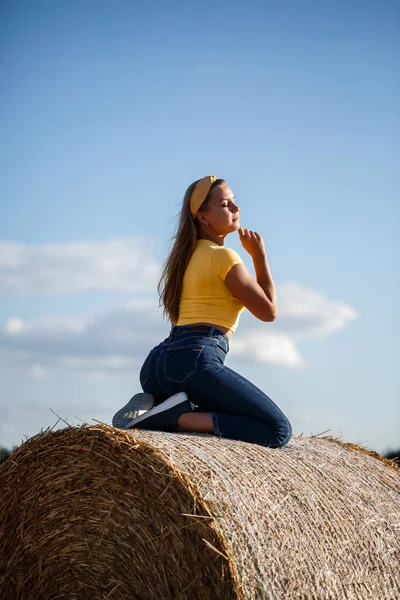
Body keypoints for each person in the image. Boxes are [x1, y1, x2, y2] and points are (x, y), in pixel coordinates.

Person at [112, 176, 292, 447]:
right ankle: (177, 418)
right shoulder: (223, 257)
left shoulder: (183, 260)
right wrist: (259, 256)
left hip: (156, 367)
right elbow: (268, 311)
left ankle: (163, 407)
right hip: (194, 361)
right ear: (203, 218)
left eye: (234, 202)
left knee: (233, 412)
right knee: (277, 430)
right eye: (225, 203)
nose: (235, 208)